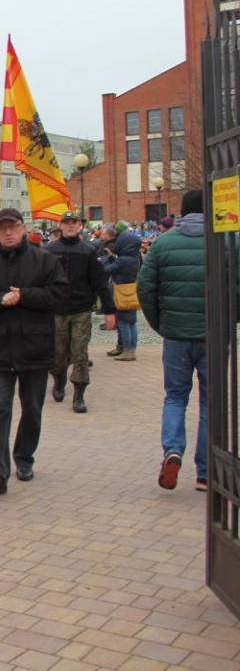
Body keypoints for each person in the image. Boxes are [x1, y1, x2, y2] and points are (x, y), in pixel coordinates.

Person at [0, 208, 69, 494]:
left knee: (32, 408)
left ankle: (24, 456)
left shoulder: (44, 260)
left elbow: (59, 294)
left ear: (23, 228)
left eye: (13, 227)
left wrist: (24, 296)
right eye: (2, 229)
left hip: (35, 347)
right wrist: (0, 299)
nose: (8, 233)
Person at [138, 189, 209, 491]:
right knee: (210, 402)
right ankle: (205, 471)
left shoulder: (163, 243)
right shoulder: (226, 240)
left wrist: (160, 323)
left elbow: (145, 288)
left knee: (176, 397)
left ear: (181, 211)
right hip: (212, 334)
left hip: (176, 335)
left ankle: (173, 451)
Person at [45, 210, 115, 413]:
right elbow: (42, 280)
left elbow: (100, 282)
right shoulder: (50, 250)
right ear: (61, 225)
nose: (70, 226)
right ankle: (59, 379)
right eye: (66, 222)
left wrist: (109, 310)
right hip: (57, 309)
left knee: (80, 352)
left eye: (73, 222)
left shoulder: (88, 250)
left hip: (81, 310)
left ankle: (79, 393)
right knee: (58, 352)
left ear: (80, 226)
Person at [100, 222, 142, 362]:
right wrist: (112, 258)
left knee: (123, 322)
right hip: (131, 290)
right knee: (132, 322)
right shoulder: (134, 258)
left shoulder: (123, 259)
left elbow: (107, 269)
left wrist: (106, 260)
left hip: (121, 291)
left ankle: (127, 351)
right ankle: (132, 350)